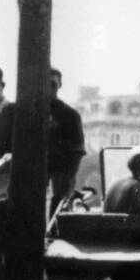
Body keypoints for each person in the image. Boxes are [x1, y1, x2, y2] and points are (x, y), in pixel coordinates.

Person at [48, 67, 86, 204]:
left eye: (53, 84)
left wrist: (68, 179)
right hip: (37, 176)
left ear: (60, 85)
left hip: (60, 175)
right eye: (45, 84)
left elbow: (78, 151)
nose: (49, 88)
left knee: (56, 215)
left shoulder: (70, 115)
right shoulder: (30, 113)